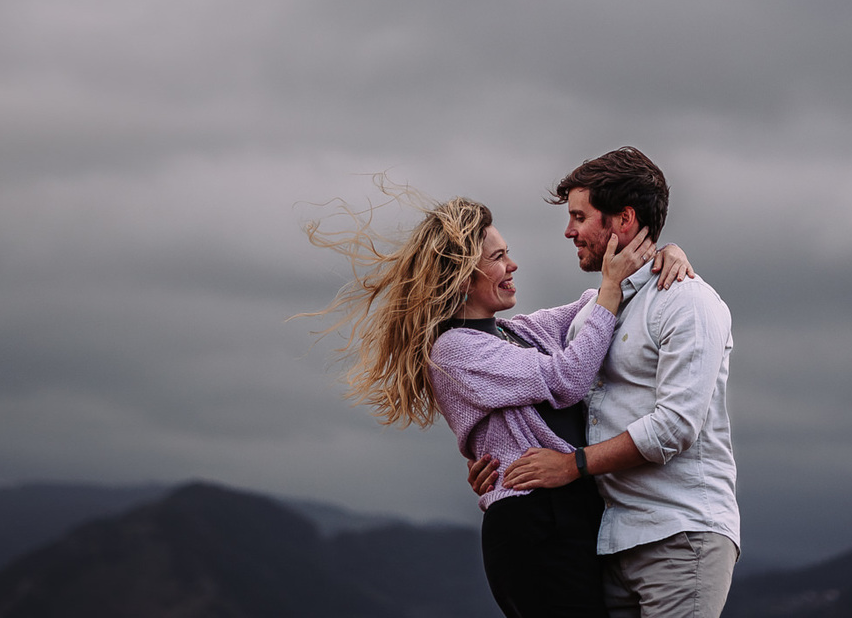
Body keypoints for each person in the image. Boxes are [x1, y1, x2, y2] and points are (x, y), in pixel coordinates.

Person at [305, 189, 693, 618]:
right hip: (534, 524)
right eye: (498, 257)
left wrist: (664, 253)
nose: (512, 265)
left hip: (573, 515)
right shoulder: (454, 350)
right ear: (462, 275)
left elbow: (599, 303)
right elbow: (568, 378)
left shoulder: (519, 332)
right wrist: (610, 287)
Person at [471, 147, 739, 618]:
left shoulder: (687, 302)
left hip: (680, 534)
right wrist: (499, 463)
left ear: (624, 219)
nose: (569, 230)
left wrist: (571, 465)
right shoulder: (595, 315)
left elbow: (676, 425)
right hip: (611, 541)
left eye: (580, 216)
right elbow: (542, 389)